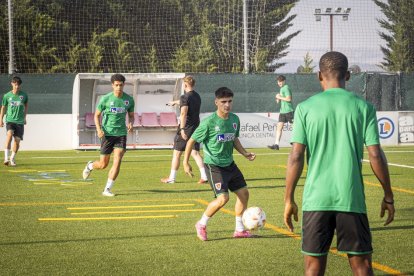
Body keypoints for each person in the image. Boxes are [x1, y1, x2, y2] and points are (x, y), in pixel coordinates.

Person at [284, 51, 395, 275]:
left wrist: (289, 199)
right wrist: (388, 195)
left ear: (319, 76)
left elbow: (296, 156)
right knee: (362, 266)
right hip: (351, 198)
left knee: (313, 267)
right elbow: (375, 155)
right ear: (347, 75)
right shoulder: (364, 107)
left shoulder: (305, 108)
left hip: (316, 199)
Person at [183, 87, 256, 241]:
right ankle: (201, 224)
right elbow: (191, 141)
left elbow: (234, 138)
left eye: (230, 101)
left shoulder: (235, 119)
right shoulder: (209, 123)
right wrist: (185, 162)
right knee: (223, 199)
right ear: (216, 102)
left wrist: (244, 153)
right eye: (223, 102)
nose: (227, 105)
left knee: (244, 194)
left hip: (230, 164)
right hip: (214, 165)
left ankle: (239, 229)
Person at [82, 74, 135, 197]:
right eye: (116, 85)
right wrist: (99, 129)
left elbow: (131, 116)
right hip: (107, 134)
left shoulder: (129, 100)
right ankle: (90, 166)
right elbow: (96, 115)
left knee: (117, 161)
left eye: (120, 85)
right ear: (112, 85)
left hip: (121, 134)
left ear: (124, 85)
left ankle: (107, 189)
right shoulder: (105, 99)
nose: (118, 87)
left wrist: (131, 123)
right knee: (103, 165)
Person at [161, 76, 208, 184]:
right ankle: (204, 176)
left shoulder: (184, 97)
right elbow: (187, 101)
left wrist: (182, 129)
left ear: (185, 85)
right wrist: (175, 102)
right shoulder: (197, 96)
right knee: (195, 153)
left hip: (186, 128)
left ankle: (171, 178)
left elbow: (183, 113)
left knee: (177, 154)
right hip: (196, 128)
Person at [0, 76, 28, 166]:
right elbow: (3, 108)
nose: (17, 86)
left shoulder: (24, 95)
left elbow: (26, 106)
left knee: (17, 141)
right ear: (12, 84)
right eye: (15, 85)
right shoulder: (7, 96)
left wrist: (24, 117)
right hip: (10, 121)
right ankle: (6, 158)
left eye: (18, 85)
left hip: (19, 122)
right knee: (9, 135)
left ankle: (12, 158)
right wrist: (0, 119)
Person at [268, 75, 294, 150]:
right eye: (278, 81)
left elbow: (289, 99)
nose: (279, 82)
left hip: (289, 111)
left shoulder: (286, 88)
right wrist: (278, 99)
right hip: (282, 111)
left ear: (284, 81)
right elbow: (280, 100)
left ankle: (296, 142)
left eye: (281, 81)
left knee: (295, 127)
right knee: (279, 127)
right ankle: (276, 144)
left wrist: (279, 97)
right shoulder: (282, 89)